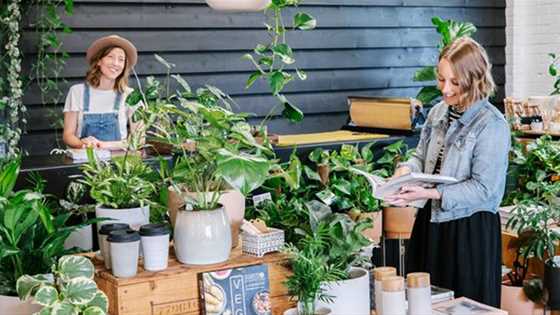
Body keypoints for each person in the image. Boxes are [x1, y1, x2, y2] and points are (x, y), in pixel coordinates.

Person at [386, 37, 510, 307]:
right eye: (441, 79)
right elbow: (421, 156)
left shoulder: (491, 124)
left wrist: (431, 192)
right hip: (430, 223)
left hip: (469, 231)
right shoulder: (438, 112)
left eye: (455, 82)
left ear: (476, 79)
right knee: (424, 304)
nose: (445, 89)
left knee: (466, 307)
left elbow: (485, 190)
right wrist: (405, 171)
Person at [63, 35, 142, 150]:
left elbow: (139, 140)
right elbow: (68, 135)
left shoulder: (131, 95)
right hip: (85, 162)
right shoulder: (77, 92)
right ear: (99, 61)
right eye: (110, 57)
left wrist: (103, 145)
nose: (116, 63)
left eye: (121, 59)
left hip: (119, 164)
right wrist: (84, 145)